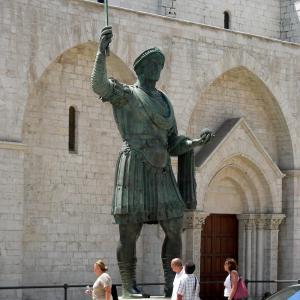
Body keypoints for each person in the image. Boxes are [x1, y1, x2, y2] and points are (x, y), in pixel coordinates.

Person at [91, 25, 213, 298]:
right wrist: (101, 52)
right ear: (142, 69)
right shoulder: (127, 94)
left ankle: (172, 284)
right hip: (134, 164)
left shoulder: (165, 101)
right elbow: (98, 85)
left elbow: (173, 142)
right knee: (129, 230)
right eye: (153, 64)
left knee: (173, 223)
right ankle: (128, 285)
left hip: (160, 169)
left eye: (160, 64)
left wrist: (195, 143)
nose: (158, 68)